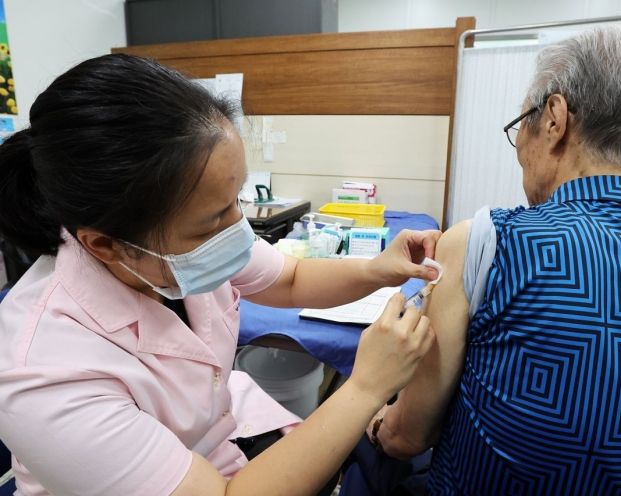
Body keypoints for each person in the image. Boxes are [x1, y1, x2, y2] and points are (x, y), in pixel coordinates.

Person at [0, 53, 440, 496]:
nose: (238, 231)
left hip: (215, 448)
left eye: (238, 198)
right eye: (212, 219)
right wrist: (366, 387)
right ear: (105, 245)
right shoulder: (42, 372)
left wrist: (374, 270)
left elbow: (290, 279)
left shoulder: (177, 249)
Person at [369, 25, 621, 495]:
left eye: (520, 125)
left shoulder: (487, 244)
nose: (519, 151)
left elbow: (409, 434)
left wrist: (375, 423)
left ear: (554, 118)